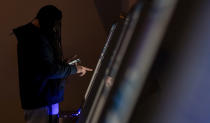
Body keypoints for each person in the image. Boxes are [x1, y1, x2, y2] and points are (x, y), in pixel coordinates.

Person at [13, 5, 93, 123]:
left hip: (39, 100)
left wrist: (64, 65)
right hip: (42, 101)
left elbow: (42, 65)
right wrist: (75, 69)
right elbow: (48, 70)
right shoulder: (37, 39)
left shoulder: (29, 35)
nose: (54, 30)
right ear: (50, 22)